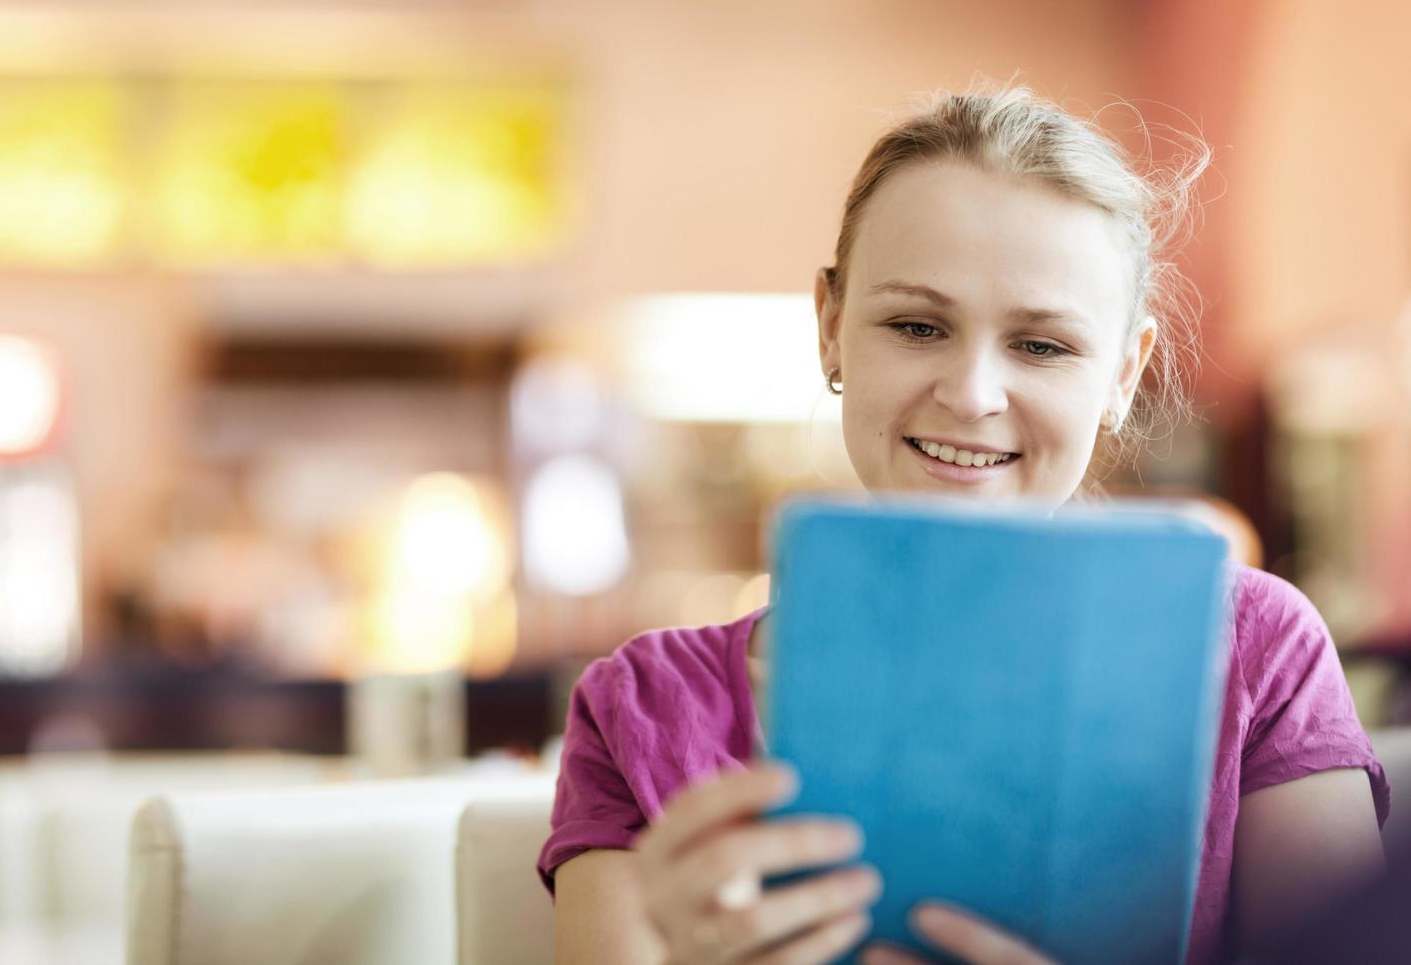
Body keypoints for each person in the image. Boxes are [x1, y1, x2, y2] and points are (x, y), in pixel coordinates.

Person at [537, 85, 1390, 965]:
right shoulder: (639, 708)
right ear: (831, 328)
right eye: (916, 325)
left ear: (1124, 374)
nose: (972, 394)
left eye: (1043, 346)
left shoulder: (1257, 652)